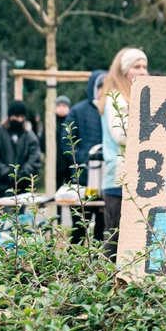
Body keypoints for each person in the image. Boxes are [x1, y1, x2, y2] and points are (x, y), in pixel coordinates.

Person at [99, 48, 150, 261]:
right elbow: (121, 133)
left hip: (133, 178)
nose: (143, 72)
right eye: (136, 67)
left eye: (145, 67)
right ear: (124, 71)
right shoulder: (116, 98)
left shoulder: (134, 96)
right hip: (118, 179)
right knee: (116, 240)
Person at [65, 70, 107, 244]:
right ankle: (74, 265)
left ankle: (99, 266)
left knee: (104, 230)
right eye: (101, 86)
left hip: (108, 179)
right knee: (80, 227)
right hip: (82, 180)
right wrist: (84, 161)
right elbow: (67, 141)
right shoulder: (78, 111)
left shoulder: (113, 109)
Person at [0, 100, 43, 197]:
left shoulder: (29, 136)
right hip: (0, 186)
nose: (19, 120)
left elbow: (35, 158)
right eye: (16, 116)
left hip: (23, 188)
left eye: (22, 117)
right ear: (10, 116)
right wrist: (7, 174)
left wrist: (23, 175)